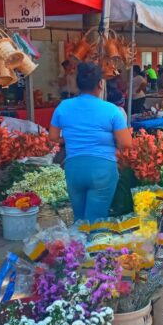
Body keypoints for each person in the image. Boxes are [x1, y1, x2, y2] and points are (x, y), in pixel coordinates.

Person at [49, 63, 133, 222]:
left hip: (74, 168)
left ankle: (76, 246)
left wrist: (72, 138)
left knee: (79, 220)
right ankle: (92, 245)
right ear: (101, 84)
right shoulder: (112, 110)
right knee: (95, 222)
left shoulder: (63, 107)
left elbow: (53, 137)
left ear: (78, 84)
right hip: (102, 170)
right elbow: (126, 143)